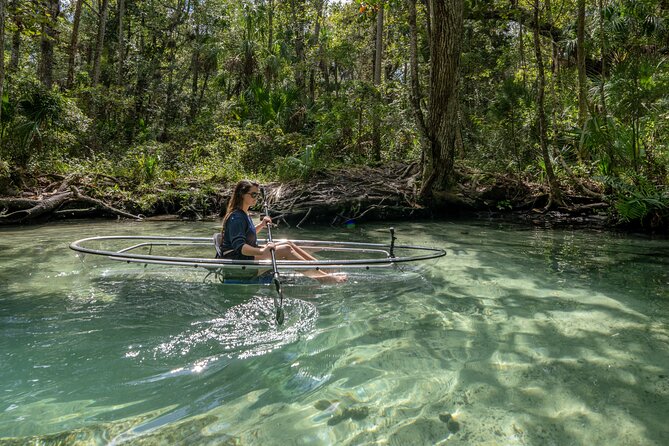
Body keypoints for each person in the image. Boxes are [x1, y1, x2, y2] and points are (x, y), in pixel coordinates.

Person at [219, 180, 346, 283]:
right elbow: (240, 247)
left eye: (257, 195)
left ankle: (320, 268)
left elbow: (247, 235)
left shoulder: (244, 214)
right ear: (242, 195)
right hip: (239, 265)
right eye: (253, 194)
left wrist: (262, 225)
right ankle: (324, 278)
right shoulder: (237, 217)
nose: (256, 198)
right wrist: (262, 251)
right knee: (285, 249)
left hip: (245, 258)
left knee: (288, 243)